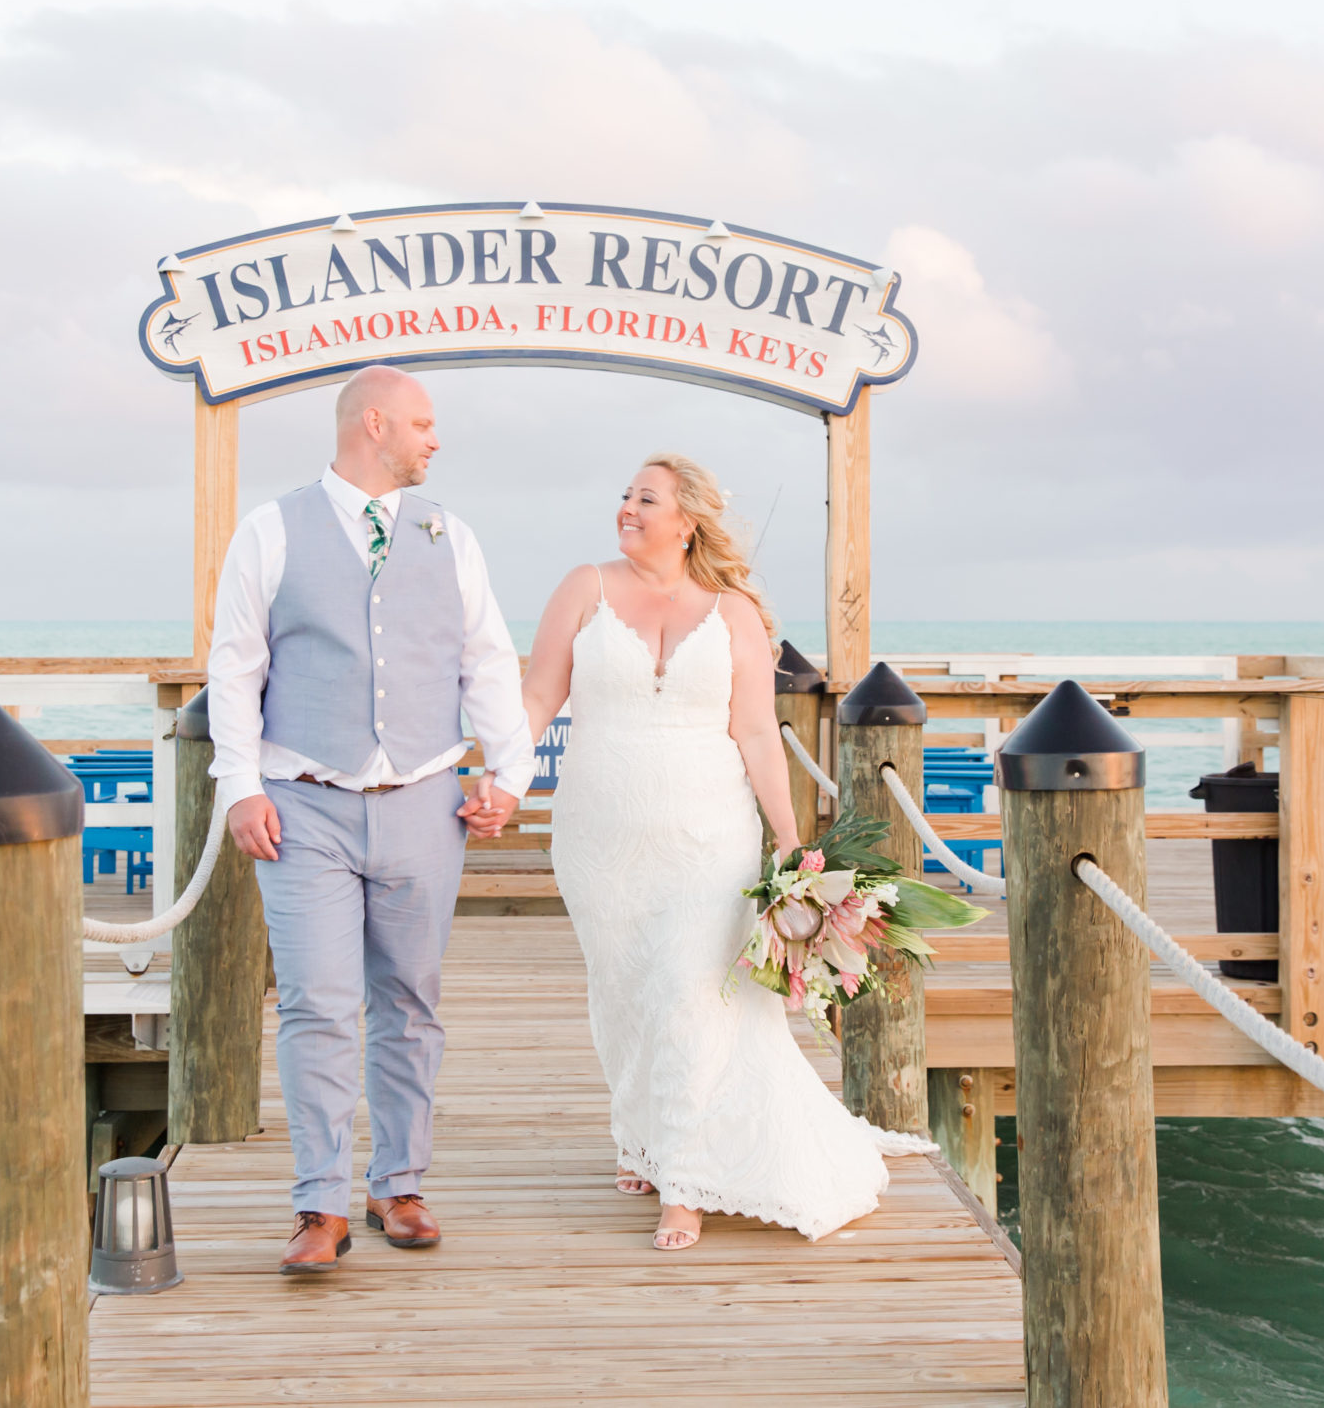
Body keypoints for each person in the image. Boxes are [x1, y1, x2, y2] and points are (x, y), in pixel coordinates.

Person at [521, 452, 933, 1251]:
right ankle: (639, 1131)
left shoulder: (734, 612)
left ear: (689, 520)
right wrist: (496, 779)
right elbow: (539, 694)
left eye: (647, 498)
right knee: (624, 988)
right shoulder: (584, 588)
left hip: (708, 835)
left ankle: (687, 1175)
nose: (627, 508)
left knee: (688, 991)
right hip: (598, 835)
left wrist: (787, 835)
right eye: (625, 495)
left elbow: (753, 731)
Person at [208, 365, 532, 1274]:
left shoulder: (451, 535)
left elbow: (488, 660)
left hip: (427, 800)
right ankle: (319, 1202)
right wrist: (241, 785)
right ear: (376, 424)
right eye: (423, 424)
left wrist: (509, 772)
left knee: (411, 1003)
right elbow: (233, 667)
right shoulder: (271, 529)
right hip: (303, 802)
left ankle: (399, 1183)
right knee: (317, 1005)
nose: (436, 439)